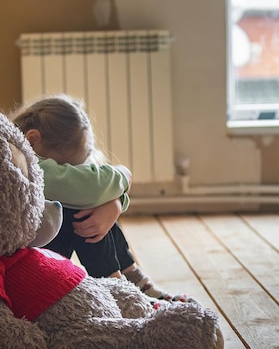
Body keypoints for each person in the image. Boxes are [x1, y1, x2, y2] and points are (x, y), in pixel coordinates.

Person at [11, 94, 191, 302]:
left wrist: (114, 204)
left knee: (87, 204)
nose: (71, 172)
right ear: (33, 140)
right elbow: (90, 187)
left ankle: (132, 281)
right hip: (23, 264)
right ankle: (119, 291)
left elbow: (93, 189)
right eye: (66, 166)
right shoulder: (26, 164)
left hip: (36, 250)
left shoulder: (30, 154)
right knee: (79, 211)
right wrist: (123, 177)